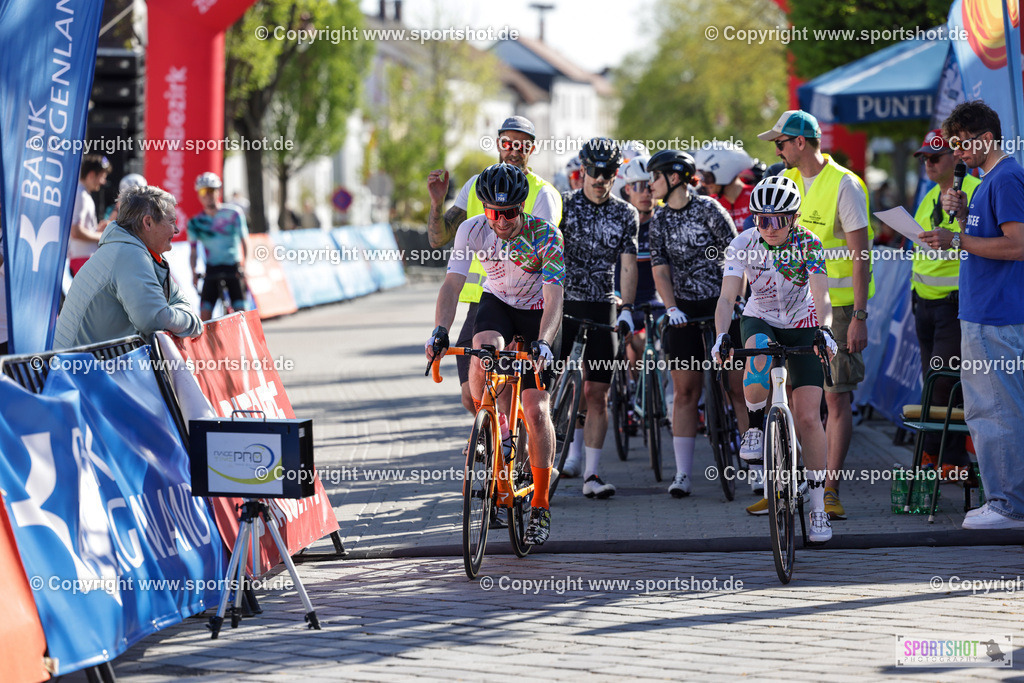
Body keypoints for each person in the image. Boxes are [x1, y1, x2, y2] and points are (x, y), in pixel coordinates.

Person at [425, 163, 564, 545]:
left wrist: (545, 343)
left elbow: (554, 297)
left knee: (536, 410)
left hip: (538, 311)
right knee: (482, 351)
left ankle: (539, 504)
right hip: (498, 301)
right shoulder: (472, 229)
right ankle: (494, 425)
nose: (500, 221)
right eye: (493, 212)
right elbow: (453, 283)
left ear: (522, 208)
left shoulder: (545, 236)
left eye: (509, 213)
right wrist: (440, 330)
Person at [759, 109, 873, 520]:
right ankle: (789, 486)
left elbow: (861, 258)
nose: (777, 149)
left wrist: (859, 315)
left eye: (780, 142)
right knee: (792, 398)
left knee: (834, 397)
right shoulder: (784, 182)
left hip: (837, 308)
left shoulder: (844, 184)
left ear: (800, 142)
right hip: (788, 307)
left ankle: (829, 490)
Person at [712, 175, 838, 542]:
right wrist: (722, 335)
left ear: (794, 218)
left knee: (809, 417)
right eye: (760, 219)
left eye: (777, 220)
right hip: (761, 317)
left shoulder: (809, 244)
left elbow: (822, 297)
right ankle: (753, 428)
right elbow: (727, 298)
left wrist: (825, 330)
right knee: (759, 358)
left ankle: (818, 509)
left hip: (803, 322)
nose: (768, 228)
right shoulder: (742, 243)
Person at [920, 100, 1024, 530]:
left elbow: (1017, 245)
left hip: (995, 316)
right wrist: (963, 218)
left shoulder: (1005, 177)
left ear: (985, 139)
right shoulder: (989, 181)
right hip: (985, 313)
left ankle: (1007, 506)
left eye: (963, 144)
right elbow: (991, 237)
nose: (957, 153)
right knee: (991, 410)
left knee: (995, 412)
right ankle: (1004, 500)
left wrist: (956, 239)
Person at [427, 115, 562, 416]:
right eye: (507, 143)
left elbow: (543, 258)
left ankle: (516, 452)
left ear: (532, 148)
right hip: (485, 301)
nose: (513, 150)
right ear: (498, 144)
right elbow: (440, 239)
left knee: (520, 399)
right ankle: (488, 438)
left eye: (521, 145)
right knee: (469, 394)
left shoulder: (541, 193)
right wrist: (437, 204)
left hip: (528, 302)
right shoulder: (478, 185)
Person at [648, 149, 743, 497]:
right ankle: (683, 474)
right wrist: (670, 307)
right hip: (684, 309)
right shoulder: (658, 219)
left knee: (737, 389)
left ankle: (757, 467)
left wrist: (737, 302)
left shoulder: (710, 209)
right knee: (686, 392)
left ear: (674, 178)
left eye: (654, 177)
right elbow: (660, 268)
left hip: (720, 303)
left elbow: (736, 258)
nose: (649, 185)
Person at [557, 137, 639, 499]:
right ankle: (534, 466)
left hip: (603, 302)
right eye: (593, 171)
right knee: (542, 388)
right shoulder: (563, 205)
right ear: (583, 170)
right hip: (564, 302)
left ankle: (591, 475)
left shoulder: (626, 213)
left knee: (597, 391)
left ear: (615, 174)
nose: (600, 178)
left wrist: (628, 308)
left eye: (607, 173)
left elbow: (628, 265)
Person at [910, 129, 980, 479]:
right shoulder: (929, 196)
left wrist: (952, 241)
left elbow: (980, 243)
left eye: (934, 157)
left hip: (954, 303)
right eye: (924, 157)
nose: (928, 163)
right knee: (931, 380)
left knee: (945, 383)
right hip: (924, 304)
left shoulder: (973, 192)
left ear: (955, 157)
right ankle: (937, 456)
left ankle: (949, 459)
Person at [54, 185, 202, 348]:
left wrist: (182, 318)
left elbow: (176, 304)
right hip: (84, 370)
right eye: (172, 222)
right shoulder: (129, 254)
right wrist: (194, 323)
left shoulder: (133, 250)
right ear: (148, 222)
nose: (176, 229)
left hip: (90, 366)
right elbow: (154, 319)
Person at [615, 156, 663, 412]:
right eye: (638, 186)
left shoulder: (664, 220)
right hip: (624, 297)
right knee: (629, 338)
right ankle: (630, 385)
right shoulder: (621, 222)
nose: (646, 192)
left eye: (651, 185)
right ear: (626, 190)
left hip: (657, 299)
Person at [188, 172, 250, 322]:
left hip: (233, 267)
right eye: (203, 191)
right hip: (212, 269)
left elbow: (245, 241)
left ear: (219, 192)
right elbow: (193, 251)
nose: (208, 195)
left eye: (211, 190)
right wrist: (194, 272)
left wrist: (245, 265)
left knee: (242, 313)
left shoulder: (234, 214)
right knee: (204, 315)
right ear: (198, 195)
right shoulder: (195, 222)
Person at [68, 155, 112, 275]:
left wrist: (97, 230)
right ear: (92, 175)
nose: (103, 182)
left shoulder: (83, 194)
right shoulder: (80, 194)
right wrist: (101, 235)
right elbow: (75, 231)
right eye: (102, 177)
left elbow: (80, 229)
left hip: (84, 259)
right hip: (82, 260)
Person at [695, 145, 755, 229]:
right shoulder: (709, 203)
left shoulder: (757, 196)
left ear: (724, 172)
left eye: (707, 177)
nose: (704, 184)